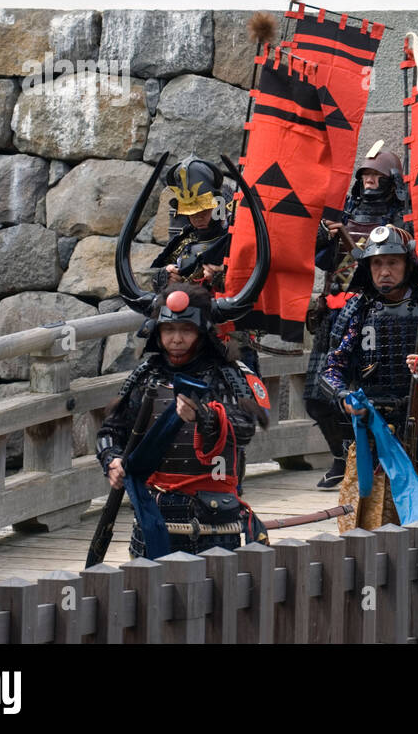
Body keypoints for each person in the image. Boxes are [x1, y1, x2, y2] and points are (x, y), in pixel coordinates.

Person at [318, 225, 418, 531]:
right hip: (370, 435)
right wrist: (344, 398)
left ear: (407, 264)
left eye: (392, 262)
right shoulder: (358, 309)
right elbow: (331, 369)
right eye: (377, 263)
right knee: (364, 534)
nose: (384, 271)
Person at [96, 284, 265, 557]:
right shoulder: (146, 376)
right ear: (158, 332)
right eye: (169, 330)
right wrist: (111, 460)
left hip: (214, 521)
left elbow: (245, 429)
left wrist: (205, 417)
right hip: (152, 516)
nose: (176, 339)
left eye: (186, 330)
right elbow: (111, 431)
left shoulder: (226, 376)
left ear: (201, 333)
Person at [305, 145, 412, 489]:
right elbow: (323, 261)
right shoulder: (346, 211)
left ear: (390, 180)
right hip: (333, 313)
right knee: (316, 394)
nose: (369, 181)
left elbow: (393, 263)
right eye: (365, 175)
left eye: (376, 175)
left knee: (368, 392)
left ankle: (363, 455)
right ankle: (340, 455)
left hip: (375, 317)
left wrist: (352, 244)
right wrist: (325, 237)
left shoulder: (400, 219)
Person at [151, 156, 232, 293]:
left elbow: (248, 277)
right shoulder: (185, 239)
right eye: (191, 212)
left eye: (203, 211)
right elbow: (161, 274)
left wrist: (220, 278)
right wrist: (166, 276)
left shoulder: (234, 239)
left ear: (218, 206)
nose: (197, 218)